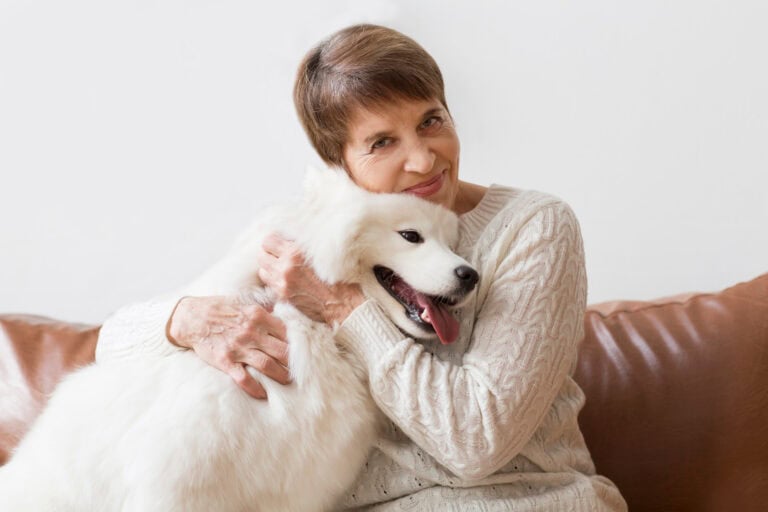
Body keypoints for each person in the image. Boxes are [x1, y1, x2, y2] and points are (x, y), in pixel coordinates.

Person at [96, 23, 627, 511]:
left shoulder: (533, 226)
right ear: (340, 166)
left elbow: (475, 441)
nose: (423, 159)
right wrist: (188, 320)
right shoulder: (313, 242)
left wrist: (339, 307)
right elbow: (110, 343)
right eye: (382, 142)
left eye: (431, 121)